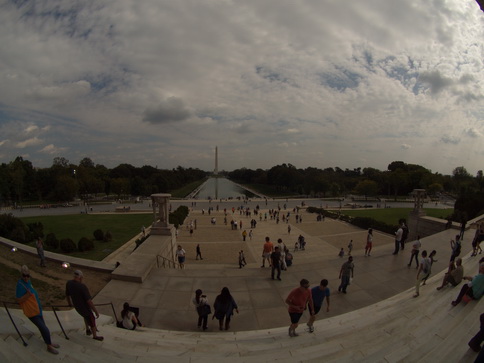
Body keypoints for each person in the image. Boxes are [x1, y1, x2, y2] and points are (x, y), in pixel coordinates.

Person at [16, 265, 60, 354]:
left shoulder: (28, 282)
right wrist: (27, 295)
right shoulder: (20, 285)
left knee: (42, 327)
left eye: (27, 275)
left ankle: (49, 343)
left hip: (37, 309)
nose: (26, 278)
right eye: (24, 276)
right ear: (21, 275)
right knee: (45, 329)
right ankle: (49, 346)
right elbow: (18, 300)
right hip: (32, 312)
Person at [65, 270, 104, 341]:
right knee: (92, 319)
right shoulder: (82, 286)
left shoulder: (69, 283)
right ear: (80, 277)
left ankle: (87, 329)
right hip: (84, 307)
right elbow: (89, 301)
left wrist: (69, 303)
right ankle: (95, 336)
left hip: (77, 307)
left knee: (85, 316)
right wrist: (95, 311)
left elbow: (67, 295)